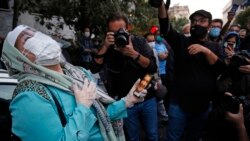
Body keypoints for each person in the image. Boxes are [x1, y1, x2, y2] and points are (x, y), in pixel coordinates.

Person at [1, 25, 146, 141]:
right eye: (27, 39)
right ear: (20, 58)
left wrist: (127, 101)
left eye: (35, 33)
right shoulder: (29, 96)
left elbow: (100, 115)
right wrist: (82, 108)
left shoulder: (78, 73)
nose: (38, 38)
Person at [157, 0, 225, 140]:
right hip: (179, 104)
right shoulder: (181, 42)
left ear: (209, 25)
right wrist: (160, 6)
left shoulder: (215, 47)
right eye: (194, 21)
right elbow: (165, 28)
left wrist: (205, 51)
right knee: (173, 137)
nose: (197, 24)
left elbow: (221, 68)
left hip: (203, 105)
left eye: (202, 21)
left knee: (194, 136)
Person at [90, 12, 159, 141]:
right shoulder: (107, 46)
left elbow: (152, 67)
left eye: (121, 31)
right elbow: (94, 67)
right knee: (131, 137)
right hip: (125, 101)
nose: (118, 35)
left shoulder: (139, 41)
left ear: (128, 28)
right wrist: (105, 46)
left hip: (147, 96)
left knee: (153, 134)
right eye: (113, 32)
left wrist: (133, 54)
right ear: (108, 32)